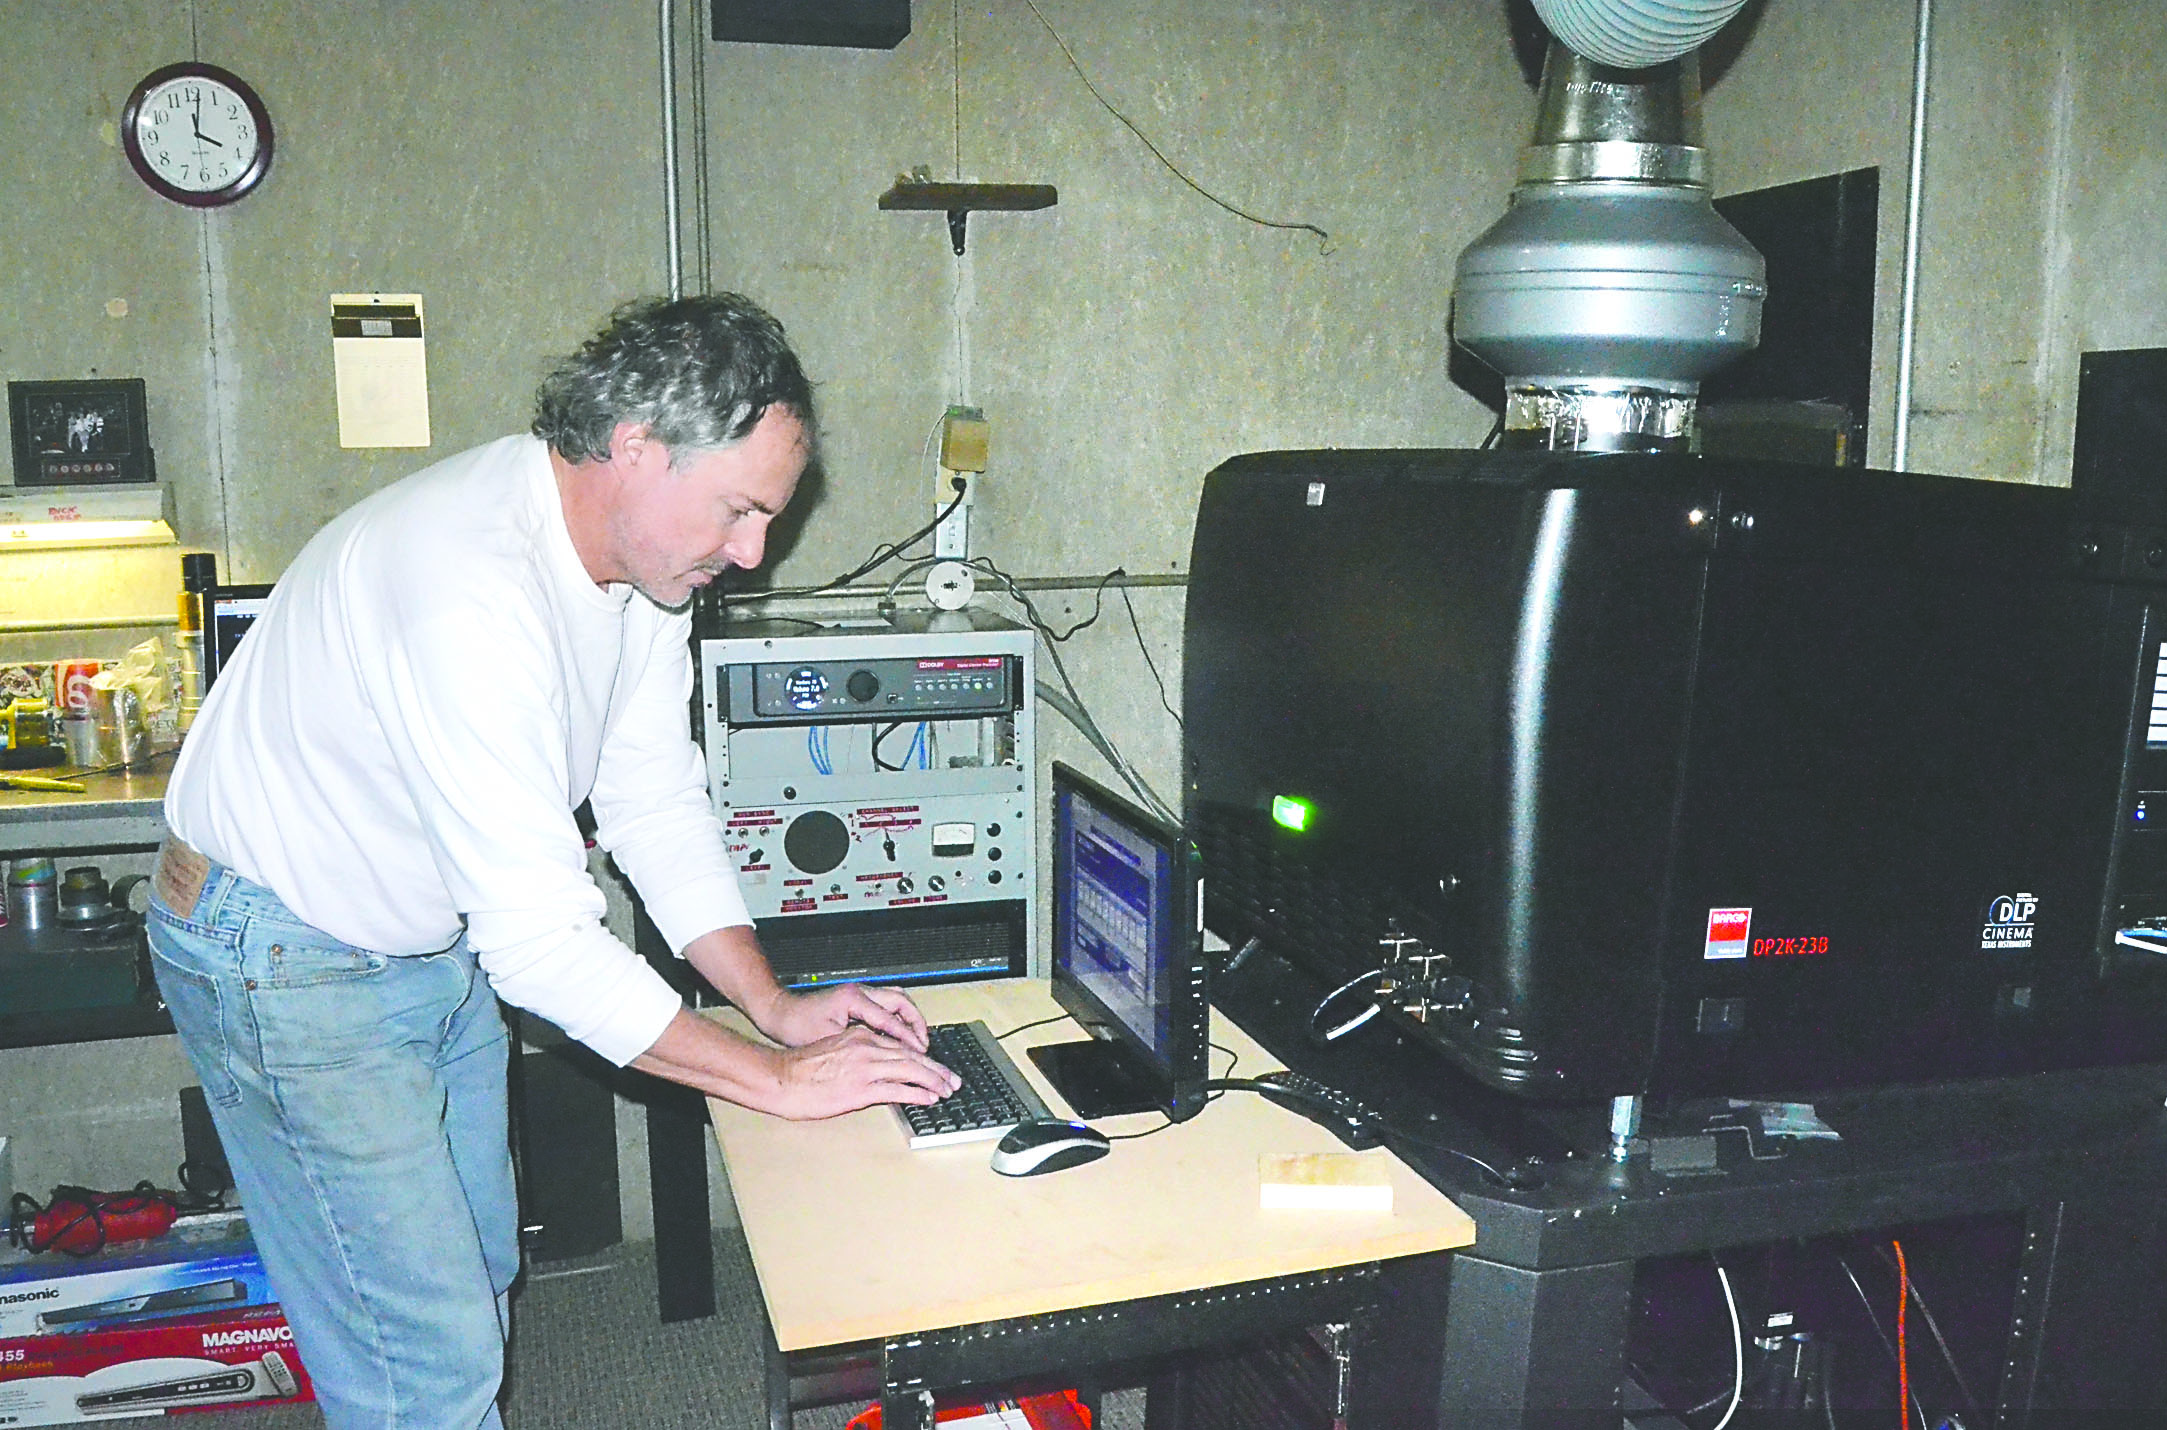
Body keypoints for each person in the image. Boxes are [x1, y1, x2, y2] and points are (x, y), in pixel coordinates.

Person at [145, 293, 962, 1430]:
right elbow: (539, 944)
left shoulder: (640, 569)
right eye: (738, 508)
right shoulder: (470, 586)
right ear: (635, 446)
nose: (753, 549)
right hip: (283, 946)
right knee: (420, 1360)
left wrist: (772, 1006)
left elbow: (651, 797)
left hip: (421, 934)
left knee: (477, 1266)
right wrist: (775, 1082)